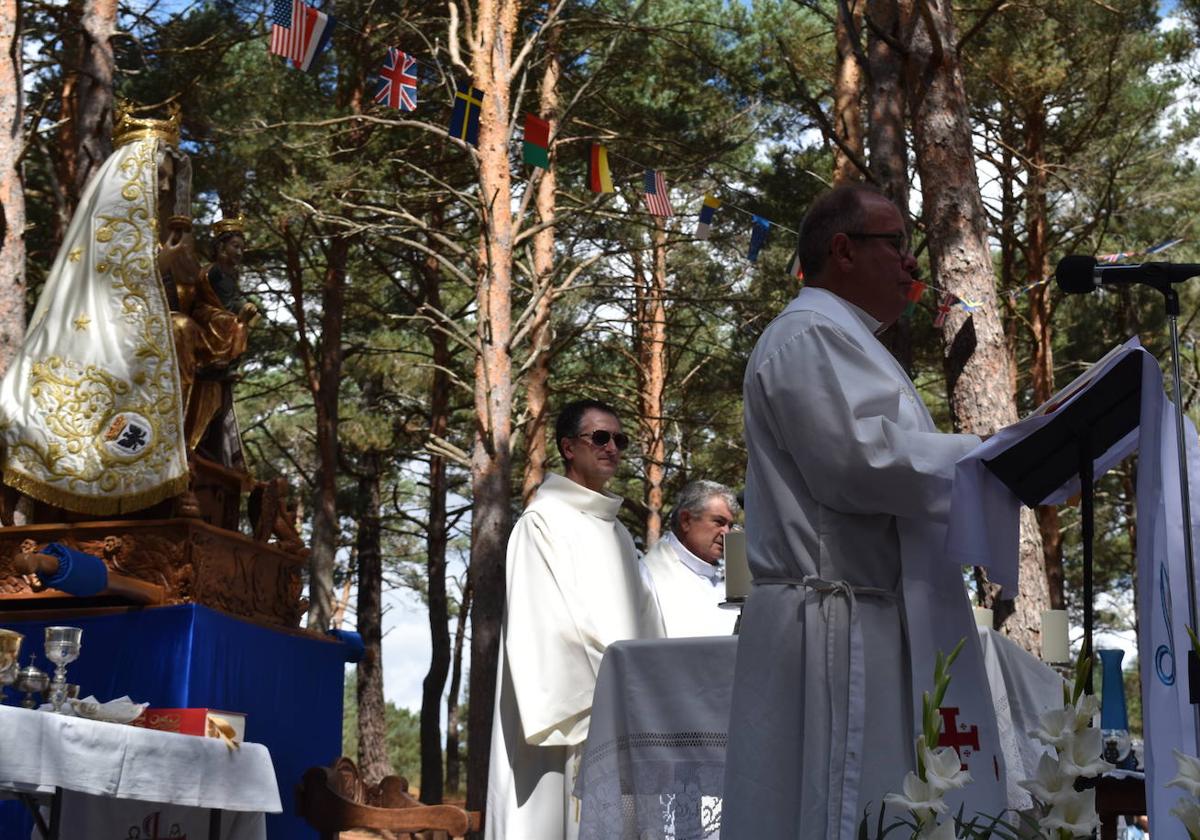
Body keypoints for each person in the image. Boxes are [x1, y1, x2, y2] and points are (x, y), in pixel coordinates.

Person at [722, 185, 1007, 838]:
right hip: (832, 628)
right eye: (898, 245)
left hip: (868, 617)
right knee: (843, 811)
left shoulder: (846, 339)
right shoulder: (809, 333)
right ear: (843, 250)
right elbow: (857, 463)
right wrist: (986, 456)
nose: (913, 266)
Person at [486, 399, 664, 840]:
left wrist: (650, 680)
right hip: (571, 717)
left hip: (622, 706)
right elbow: (544, 626)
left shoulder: (618, 533)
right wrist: (616, 681)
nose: (612, 448)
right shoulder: (541, 522)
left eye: (619, 440)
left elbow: (646, 621)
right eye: (599, 437)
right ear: (568, 446)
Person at [641, 479, 739, 636]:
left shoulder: (730, 578)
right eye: (718, 522)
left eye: (730, 525)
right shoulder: (647, 577)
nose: (726, 533)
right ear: (686, 520)